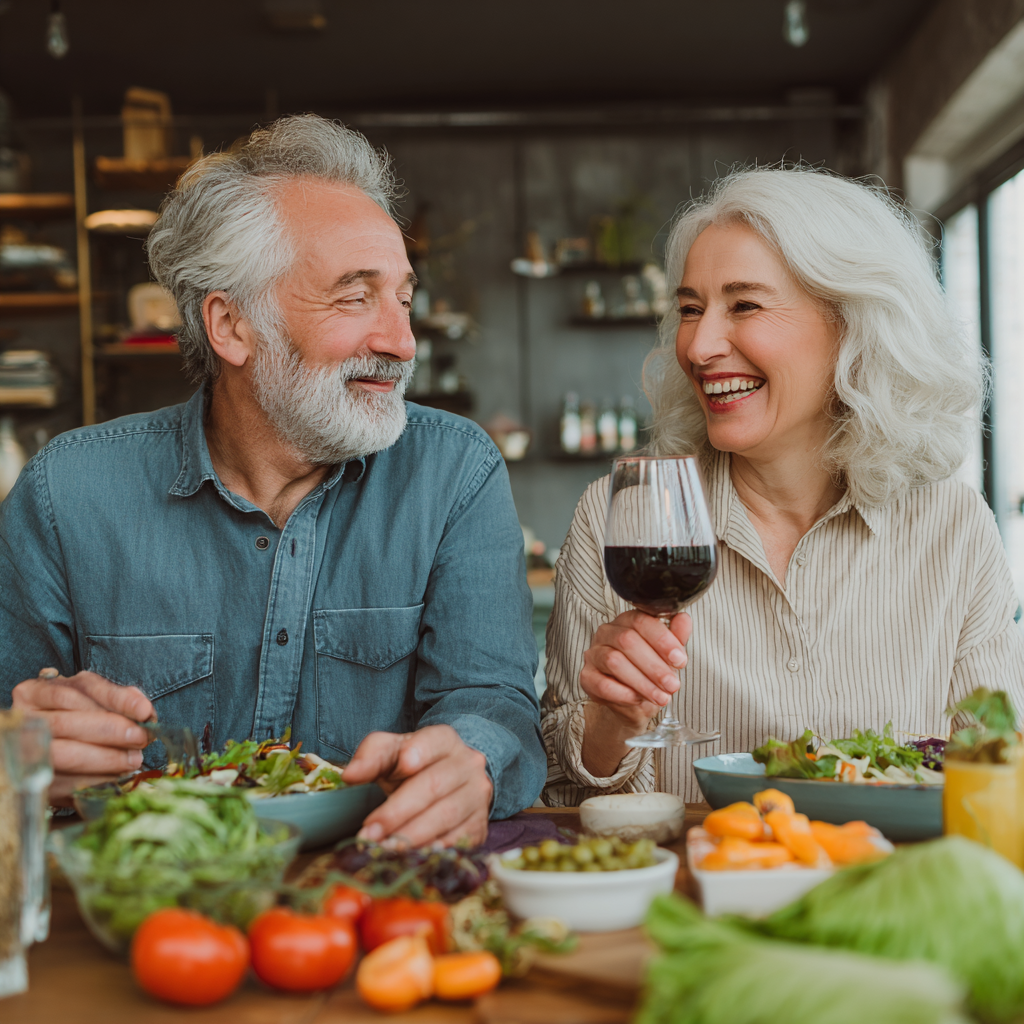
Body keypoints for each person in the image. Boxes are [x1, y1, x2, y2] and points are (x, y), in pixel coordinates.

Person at [0, 114, 545, 845]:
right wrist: (24, 751)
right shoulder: (67, 492)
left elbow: (493, 701)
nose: (400, 341)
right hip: (145, 908)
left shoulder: (454, 471)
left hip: (378, 900)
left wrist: (471, 757)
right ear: (230, 327)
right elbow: (10, 729)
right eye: (356, 296)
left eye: (403, 298)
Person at [541, 166, 1024, 804]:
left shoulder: (954, 531)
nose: (701, 344)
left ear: (853, 325)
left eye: (744, 305)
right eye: (690, 309)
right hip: (694, 895)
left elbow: (997, 779)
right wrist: (613, 722)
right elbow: (564, 792)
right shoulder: (619, 515)